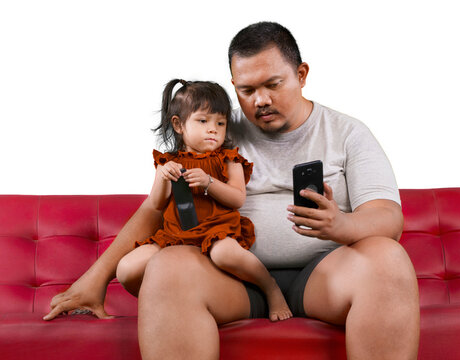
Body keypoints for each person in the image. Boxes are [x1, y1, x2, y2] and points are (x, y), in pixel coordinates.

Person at [44, 21, 420, 359]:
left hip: (327, 276)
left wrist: (341, 226)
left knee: (387, 257)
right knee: (168, 266)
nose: (261, 101)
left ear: (301, 74)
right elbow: (156, 209)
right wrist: (95, 279)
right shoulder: (216, 130)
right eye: (247, 90)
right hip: (230, 278)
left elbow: (388, 217)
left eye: (273, 85)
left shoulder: (348, 133)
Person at [115, 78, 292, 322]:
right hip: (175, 238)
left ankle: (270, 287)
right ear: (178, 125)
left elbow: (238, 198)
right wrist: (163, 176)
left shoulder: (228, 159)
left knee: (225, 255)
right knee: (126, 268)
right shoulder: (168, 162)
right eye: (203, 121)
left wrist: (210, 183)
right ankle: (164, 299)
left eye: (220, 123)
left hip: (217, 232)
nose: (213, 129)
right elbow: (156, 203)